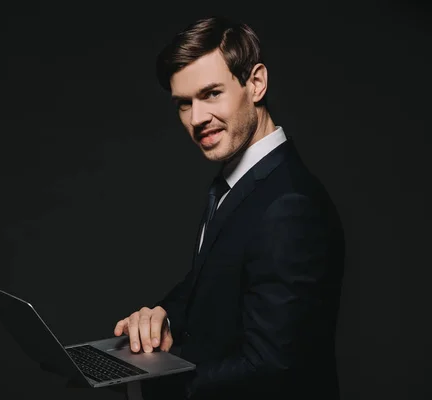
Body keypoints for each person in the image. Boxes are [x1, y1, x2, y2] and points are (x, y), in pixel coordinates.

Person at [113, 16, 345, 400]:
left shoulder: (290, 205)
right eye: (183, 104)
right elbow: (217, 280)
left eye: (211, 94)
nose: (197, 118)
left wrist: (146, 383)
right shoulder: (240, 183)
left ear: (255, 83)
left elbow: (271, 364)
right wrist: (163, 317)